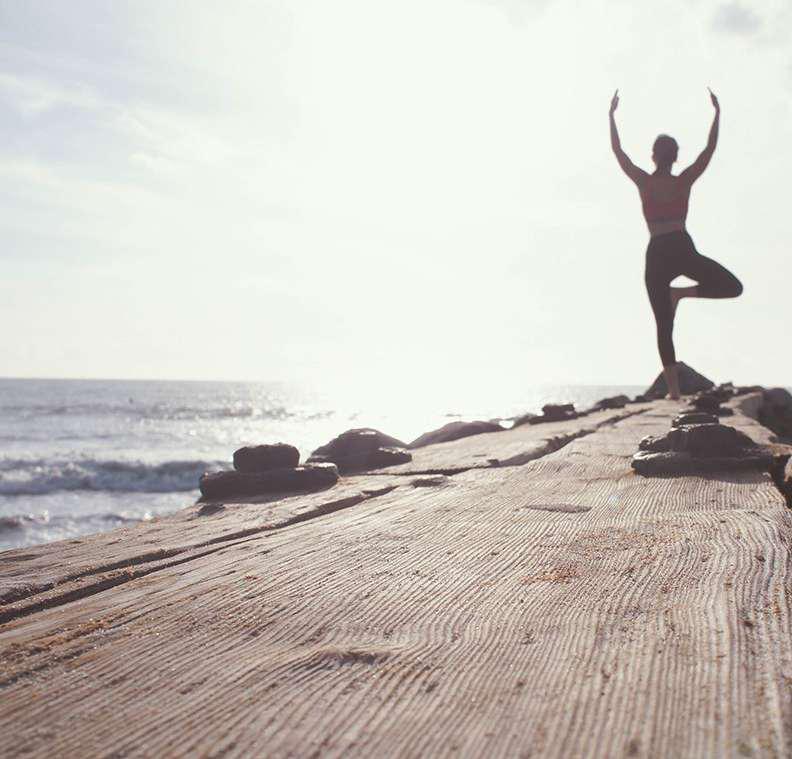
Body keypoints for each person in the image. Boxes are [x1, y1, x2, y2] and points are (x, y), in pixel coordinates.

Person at [609, 88, 742, 399]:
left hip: (657, 252)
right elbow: (709, 150)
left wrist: (611, 117)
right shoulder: (683, 182)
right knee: (732, 286)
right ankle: (681, 294)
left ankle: (674, 391)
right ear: (675, 156)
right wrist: (717, 115)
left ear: (654, 155)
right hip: (681, 247)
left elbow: (619, 153)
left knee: (663, 324)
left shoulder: (645, 182)